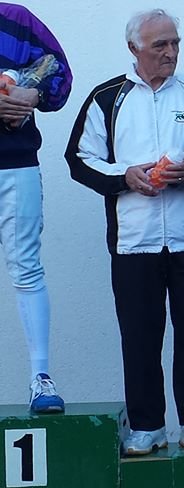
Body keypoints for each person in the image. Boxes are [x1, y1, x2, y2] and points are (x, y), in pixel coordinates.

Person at [64, 9, 184, 455]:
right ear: (133, 48)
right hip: (133, 241)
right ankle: (146, 425)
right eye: (160, 44)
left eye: (175, 42)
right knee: (140, 336)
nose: (170, 52)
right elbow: (79, 159)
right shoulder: (108, 98)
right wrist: (125, 176)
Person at [0, 3, 71, 413]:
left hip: (16, 165)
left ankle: (41, 378)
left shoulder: (16, 19)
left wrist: (34, 93)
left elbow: (60, 74)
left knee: (27, 269)